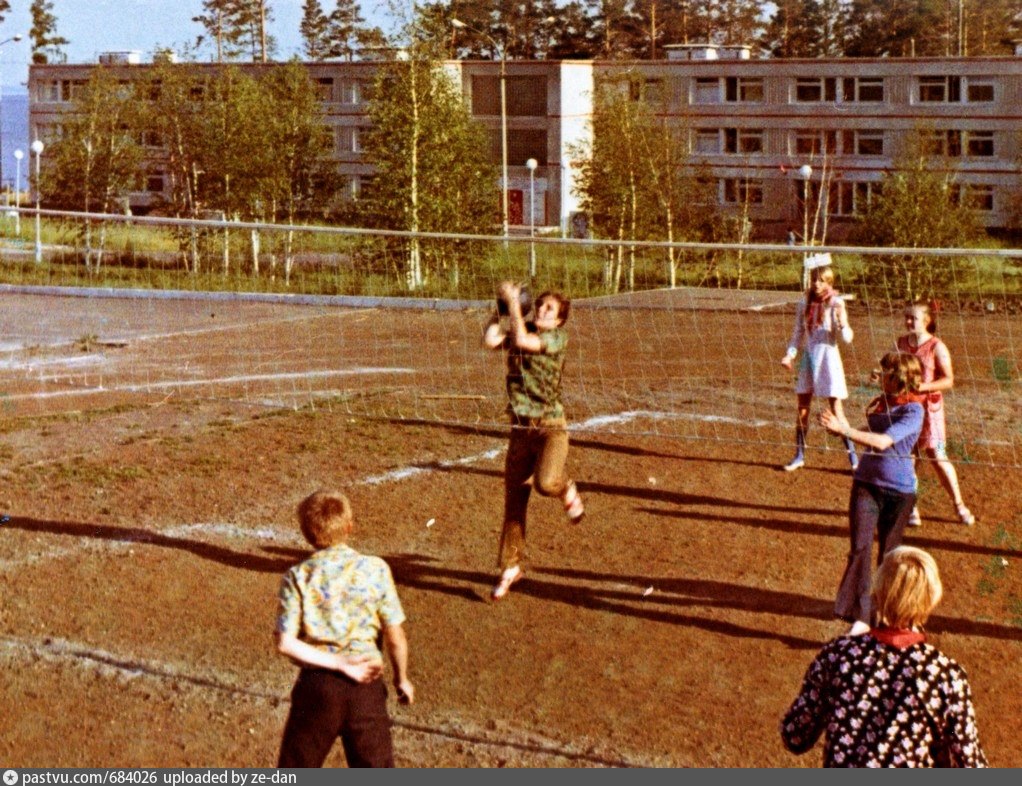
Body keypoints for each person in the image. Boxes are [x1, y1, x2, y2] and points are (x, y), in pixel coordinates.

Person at [781, 545, 987, 767]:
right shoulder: (945, 676)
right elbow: (970, 763)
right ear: (932, 598)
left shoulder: (838, 655)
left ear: (878, 593)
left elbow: (795, 736)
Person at [276, 490, 414, 768]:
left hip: (317, 689)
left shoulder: (298, 576)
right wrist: (402, 679)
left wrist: (338, 663)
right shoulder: (375, 569)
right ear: (349, 527)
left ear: (306, 533)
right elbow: (395, 637)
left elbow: (285, 642)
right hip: (366, 687)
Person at [483, 280, 584, 601]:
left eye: (549, 308)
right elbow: (490, 340)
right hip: (520, 431)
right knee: (514, 503)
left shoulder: (556, 338)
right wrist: (498, 309)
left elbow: (525, 342)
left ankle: (566, 487)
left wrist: (514, 304)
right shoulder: (520, 326)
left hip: (550, 428)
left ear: (559, 320)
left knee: (546, 482)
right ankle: (510, 567)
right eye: (538, 305)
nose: (541, 310)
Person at [820, 351, 924, 636]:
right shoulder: (882, 403)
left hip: (899, 494)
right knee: (860, 550)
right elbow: (864, 431)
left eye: (886, 371)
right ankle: (862, 616)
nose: (879, 375)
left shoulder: (914, 411)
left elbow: (881, 442)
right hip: (865, 485)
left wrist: (845, 430)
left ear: (898, 377)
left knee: (888, 558)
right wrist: (838, 415)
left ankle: (886, 615)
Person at [896, 302, 975, 527]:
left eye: (914, 318)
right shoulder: (901, 342)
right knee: (908, 458)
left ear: (927, 320)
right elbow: (892, 367)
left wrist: (922, 387)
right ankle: (912, 507)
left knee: (938, 456)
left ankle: (959, 505)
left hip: (931, 412)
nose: (909, 322)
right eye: (907, 317)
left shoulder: (936, 346)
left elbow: (949, 380)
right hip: (907, 410)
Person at [780, 265, 857, 472]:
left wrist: (842, 323)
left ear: (829, 282)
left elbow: (847, 339)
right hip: (809, 358)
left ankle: (854, 459)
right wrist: (790, 355)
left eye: (822, 280)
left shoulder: (836, 303)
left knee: (836, 409)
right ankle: (799, 455)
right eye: (814, 279)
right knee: (802, 408)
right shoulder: (804, 302)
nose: (816, 283)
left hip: (829, 359)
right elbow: (798, 332)